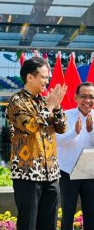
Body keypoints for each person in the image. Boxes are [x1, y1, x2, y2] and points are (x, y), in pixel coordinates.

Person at [5, 57, 67, 230]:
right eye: (44, 77)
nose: (47, 81)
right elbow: (30, 127)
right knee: (28, 223)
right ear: (30, 77)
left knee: (49, 223)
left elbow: (62, 128)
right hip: (27, 174)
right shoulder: (16, 101)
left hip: (51, 173)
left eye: (48, 77)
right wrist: (49, 107)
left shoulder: (44, 100)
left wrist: (57, 107)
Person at [56, 82, 94, 230]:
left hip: (90, 172)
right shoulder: (65, 116)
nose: (87, 100)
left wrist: (91, 130)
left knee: (90, 213)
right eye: (83, 96)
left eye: (91, 97)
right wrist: (74, 132)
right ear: (75, 98)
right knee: (67, 212)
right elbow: (57, 142)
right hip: (68, 171)